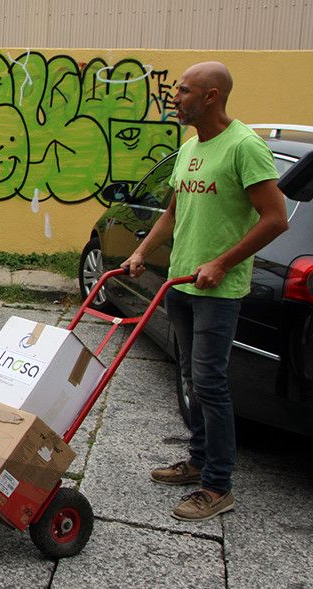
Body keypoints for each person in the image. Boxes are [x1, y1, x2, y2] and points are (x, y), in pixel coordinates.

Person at [122, 62, 288, 522]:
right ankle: (197, 462)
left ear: (211, 96)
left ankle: (218, 486)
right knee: (193, 380)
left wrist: (221, 262)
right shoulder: (192, 146)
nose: (175, 96)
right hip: (181, 283)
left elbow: (276, 218)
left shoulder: (245, 146)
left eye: (184, 90)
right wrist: (140, 253)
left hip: (218, 290)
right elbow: (172, 213)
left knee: (211, 385)